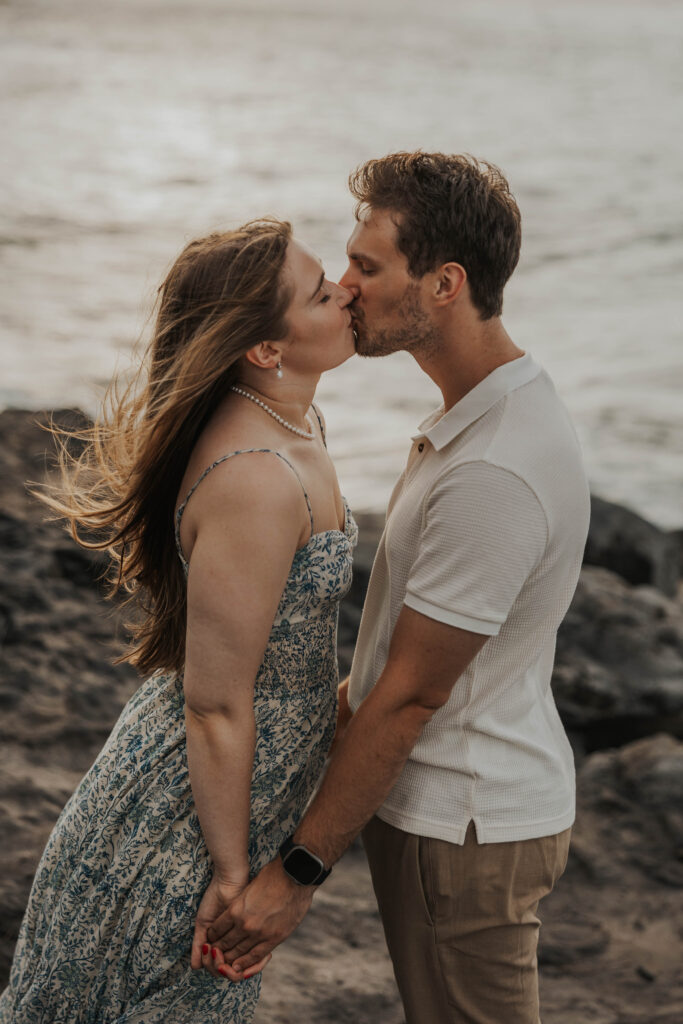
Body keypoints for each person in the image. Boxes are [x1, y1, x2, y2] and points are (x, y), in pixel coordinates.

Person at [205, 153, 591, 1024]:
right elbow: (389, 667)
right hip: (453, 811)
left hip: (466, 822)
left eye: (368, 267)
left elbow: (410, 696)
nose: (345, 288)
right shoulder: (481, 414)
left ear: (444, 283)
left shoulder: (494, 466)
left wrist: (297, 875)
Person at [0, 218, 358, 1023]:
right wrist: (232, 876)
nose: (345, 291)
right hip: (181, 825)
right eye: (319, 292)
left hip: (231, 797)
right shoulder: (256, 477)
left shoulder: (296, 425)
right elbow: (215, 702)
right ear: (266, 349)